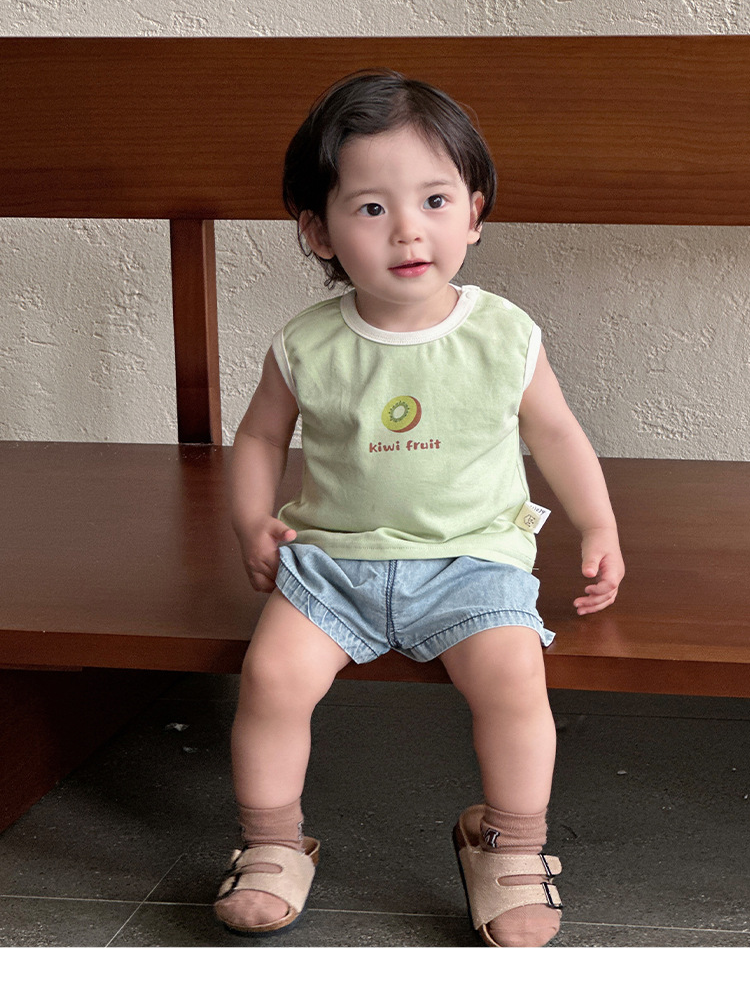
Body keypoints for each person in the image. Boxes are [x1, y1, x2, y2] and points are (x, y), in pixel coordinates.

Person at [213, 70, 624, 948]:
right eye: (371, 208)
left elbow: (556, 433)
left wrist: (599, 523)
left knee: (514, 679)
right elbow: (257, 438)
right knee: (272, 676)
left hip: (474, 561)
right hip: (333, 564)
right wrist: (253, 521)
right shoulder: (307, 343)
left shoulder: (502, 334)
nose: (408, 229)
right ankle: (272, 840)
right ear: (317, 230)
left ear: (473, 213)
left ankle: (512, 845)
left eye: (435, 200)